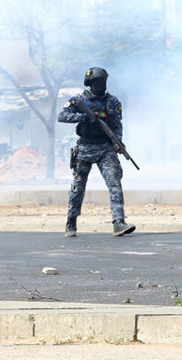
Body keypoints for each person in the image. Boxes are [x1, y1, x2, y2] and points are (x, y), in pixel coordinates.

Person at [58, 67, 136, 237]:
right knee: (78, 187)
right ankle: (71, 221)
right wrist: (84, 117)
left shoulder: (113, 102)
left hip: (105, 148)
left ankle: (118, 222)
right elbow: (62, 115)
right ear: (90, 83)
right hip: (85, 147)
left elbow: (117, 124)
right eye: (97, 81)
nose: (101, 84)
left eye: (103, 81)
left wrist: (118, 142)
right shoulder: (79, 100)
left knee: (115, 183)